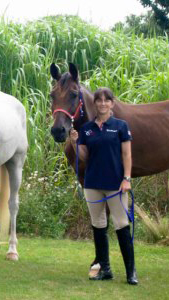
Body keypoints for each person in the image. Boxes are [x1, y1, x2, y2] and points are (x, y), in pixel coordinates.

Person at [69, 87, 137, 285]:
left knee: (122, 224)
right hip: (92, 184)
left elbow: (127, 155)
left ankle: (131, 272)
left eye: (106, 100)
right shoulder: (87, 129)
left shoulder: (121, 126)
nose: (102, 103)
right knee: (98, 225)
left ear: (112, 104)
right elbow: (83, 157)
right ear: (95, 104)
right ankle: (105, 269)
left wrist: (127, 178)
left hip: (115, 183)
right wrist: (75, 143)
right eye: (98, 100)